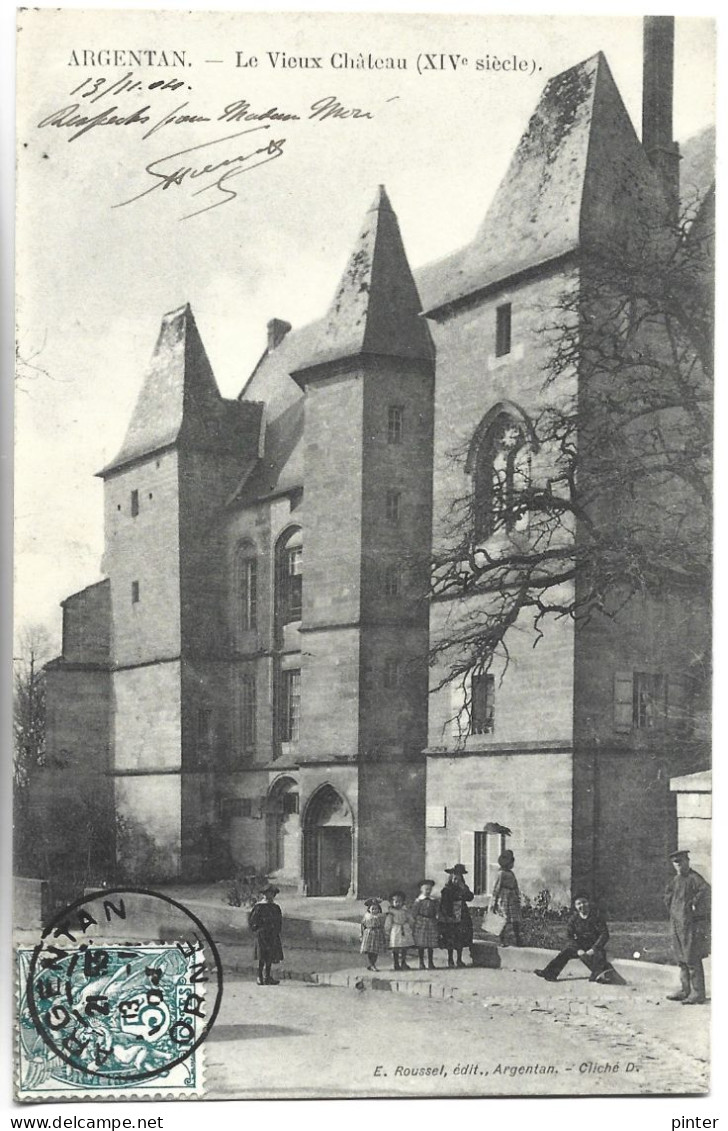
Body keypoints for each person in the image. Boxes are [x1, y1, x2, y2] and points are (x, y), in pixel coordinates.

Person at [664, 849, 711, 1006]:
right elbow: (668, 896)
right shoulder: (675, 880)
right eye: (675, 863)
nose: (678, 865)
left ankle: (698, 993)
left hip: (690, 925)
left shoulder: (695, 878)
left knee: (691, 957)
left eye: (681, 862)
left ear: (687, 862)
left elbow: (706, 891)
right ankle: (685, 990)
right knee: (681, 959)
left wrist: (694, 904)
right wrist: (672, 908)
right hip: (677, 924)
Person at [534, 894, 611, 983]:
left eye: (584, 902)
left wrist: (593, 949)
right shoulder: (574, 919)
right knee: (566, 951)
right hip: (580, 945)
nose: (582, 905)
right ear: (575, 906)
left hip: (595, 945)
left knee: (600, 958)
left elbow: (604, 934)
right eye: (579, 904)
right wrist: (578, 949)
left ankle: (599, 974)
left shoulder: (596, 917)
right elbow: (569, 936)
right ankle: (550, 973)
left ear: (588, 903)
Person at [439, 864, 474, 968]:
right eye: (454, 876)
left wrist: (464, 889)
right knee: (450, 937)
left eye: (459, 876)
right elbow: (444, 903)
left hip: (462, 915)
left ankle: (459, 959)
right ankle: (450, 959)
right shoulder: (447, 889)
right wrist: (447, 915)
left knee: (460, 937)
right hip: (451, 914)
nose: (456, 878)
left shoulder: (463, 887)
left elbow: (470, 897)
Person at [248, 884, 284, 986]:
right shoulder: (259, 907)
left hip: (272, 934)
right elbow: (253, 921)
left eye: (272, 894)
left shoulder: (275, 907)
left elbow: (279, 921)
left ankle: (267, 977)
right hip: (262, 934)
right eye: (268, 893)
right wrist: (258, 930)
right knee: (262, 956)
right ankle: (259, 976)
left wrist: (276, 931)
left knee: (270, 956)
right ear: (264, 894)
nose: (270, 896)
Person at [491, 850, 522, 946]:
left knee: (515, 919)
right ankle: (502, 940)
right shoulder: (501, 874)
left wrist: (517, 895)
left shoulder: (511, 874)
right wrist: (494, 902)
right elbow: (496, 888)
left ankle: (518, 939)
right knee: (503, 919)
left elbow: (515, 885)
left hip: (512, 897)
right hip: (504, 897)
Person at [411, 879, 440, 969]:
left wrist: (437, 916)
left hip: (431, 922)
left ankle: (430, 962)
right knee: (421, 944)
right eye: (426, 889)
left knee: (430, 944)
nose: (428, 891)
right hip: (421, 922)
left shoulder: (433, 901)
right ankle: (421, 962)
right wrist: (415, 921)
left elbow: (437, 910)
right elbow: (414, 912)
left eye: (429, 889)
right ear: (421, 890)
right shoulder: (418, 901)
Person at [385, 891, 415, 971]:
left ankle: (403, 962)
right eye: (396, 902)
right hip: (396, 929)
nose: (398, 903)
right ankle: (396, 963)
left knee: (404, 947)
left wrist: (411, 925)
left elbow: (410, 919)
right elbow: (388, 922)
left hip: (405, 928)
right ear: (392, 902)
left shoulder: (405, 911)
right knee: (396, 947)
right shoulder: (391, 912)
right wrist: (387, 931)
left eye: (400, 901)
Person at [360, 898, 387, 971]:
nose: (374, 911)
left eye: (376, 909)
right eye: (373, 909)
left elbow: (382, 926)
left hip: (377, 934)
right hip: (369, 934)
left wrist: (384, 934)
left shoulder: (381, 917)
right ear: (369, 909)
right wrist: (362, 935)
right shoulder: (367, 916)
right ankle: (371, 964)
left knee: (375, 951)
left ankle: (373, 964)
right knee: (370, 950)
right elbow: (363, 926)